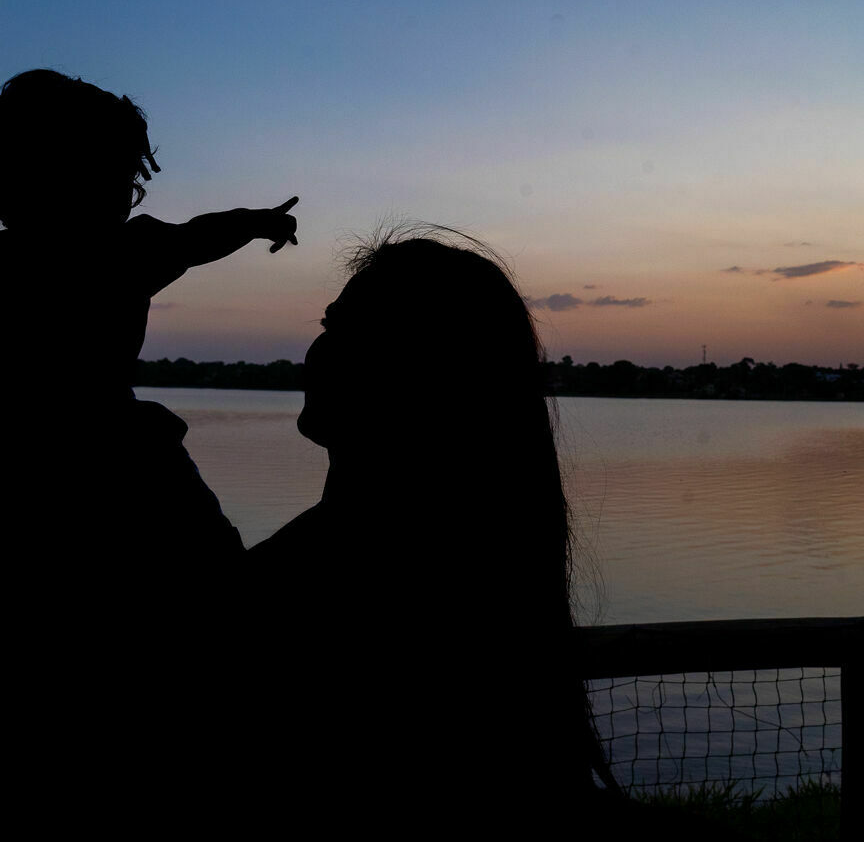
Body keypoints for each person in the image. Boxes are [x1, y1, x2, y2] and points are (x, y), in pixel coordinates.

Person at [0, 69, 290, 819]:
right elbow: (200, 235)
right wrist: (259, 221)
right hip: (85, 476)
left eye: (122, 175)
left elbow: (201, 234)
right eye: (108, 171)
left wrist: (260, 220)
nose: (118, 190)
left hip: (56, 482)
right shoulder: (82, 260)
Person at [244, 227, 609, 833]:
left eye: (347, 333)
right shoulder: (494, 570)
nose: (320, 351)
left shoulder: (322, 582)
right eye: (327, 325)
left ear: (421, 373)